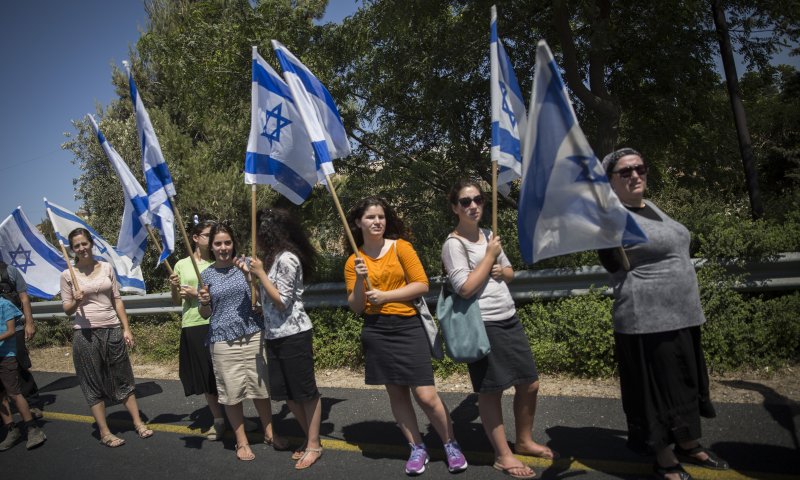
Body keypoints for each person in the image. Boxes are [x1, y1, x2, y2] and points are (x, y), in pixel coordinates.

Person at [599, 148, 729, 480]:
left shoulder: (650, 207)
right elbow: (612, 264)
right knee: (656, 392)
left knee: (684, 384)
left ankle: (687, 442)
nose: (635, 175)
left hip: (682, 315)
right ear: (610, 181)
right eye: (625, 172)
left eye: (640, 168)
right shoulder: (611, 217)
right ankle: (664, 456)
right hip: (646, 320)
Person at [344, 196, 467, 476]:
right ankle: (417, 447)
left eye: (381, 217)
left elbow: (421, 285)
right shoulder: (354, 261)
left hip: (408, 325)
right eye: (371, 217)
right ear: (357, 222)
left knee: (425, 394)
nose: (377, 222)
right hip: (376, 329)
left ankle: (450, 443)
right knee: (397, 393)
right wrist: (361, 279)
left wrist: (386, 295)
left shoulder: (401, 247)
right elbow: (355, 306)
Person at [441, 180, 555, 480]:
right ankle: (503, 456)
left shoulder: (489, 235)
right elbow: (464, 288)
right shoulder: (454, 244)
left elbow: (509, 273)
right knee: (491, 392)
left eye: (477, 199)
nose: (473, 205)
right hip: (483, 324)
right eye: (465, 201)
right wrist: (489, 258)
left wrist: (498, 265)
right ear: (455, 207)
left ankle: (525, 440)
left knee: (529, 382)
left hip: (508, 317)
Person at [197, 223, 286, 461]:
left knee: (261, 389)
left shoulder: (247, 264)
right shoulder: (205, 275)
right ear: (211, 247)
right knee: (232, 391)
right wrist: (204, 302)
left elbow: (262, 299)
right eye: (218, 243)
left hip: (253, 334)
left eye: (227, 242)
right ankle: (242, 441)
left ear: (233, 243)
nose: (223, 248)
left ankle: (270, 433)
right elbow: (205, 314)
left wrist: (250, 278)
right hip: (222, 340)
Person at [59, 228, 153, 447]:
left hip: (111, 329)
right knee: (92, 382)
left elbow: (117, 299)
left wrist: (126, 328)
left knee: (123, 378)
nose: (82, 248)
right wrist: (76, 300)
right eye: (76, 246)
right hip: (85, 335)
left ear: (91, 243)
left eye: (84, 243)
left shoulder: (107, 268)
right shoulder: (67, 275)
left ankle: (138, 423)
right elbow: (67, 309)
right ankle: (104, 432)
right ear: (72, 249)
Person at [247, 208, 323, 470]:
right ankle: (309, 437)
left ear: (268, 233)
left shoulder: (287, 259)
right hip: (274, 335)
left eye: (257, 233)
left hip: (294, 334)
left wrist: (260, 274)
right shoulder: (272, 261)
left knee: (305, 392)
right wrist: (256, 281)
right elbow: (269, 300)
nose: (254, 239)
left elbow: (282, 301)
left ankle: (314, 444)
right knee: (288, 394)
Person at [168, 218, 226, 440]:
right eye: (207, 235)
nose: (212, 240)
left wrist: (196, 293)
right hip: (194, 324)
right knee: (207, 377)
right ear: (195, 238)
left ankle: (234, 415)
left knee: (224, 373)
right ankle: (218, 419)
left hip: (219, 322)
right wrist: (175, 288)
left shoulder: (218, 263)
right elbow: (176, 301)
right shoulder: (182, 265)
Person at [0, 296, 46, 451]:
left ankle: (33, 429)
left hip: (6, 356)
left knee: (14, 393)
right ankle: (12, 430)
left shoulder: (5, 305)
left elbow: (11, 331)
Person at [0, 261, 43, 417]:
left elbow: (24, 298)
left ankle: (33, 402)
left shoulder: (10, 271)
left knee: (20, 364)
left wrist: (29, 323)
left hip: (15, 328)